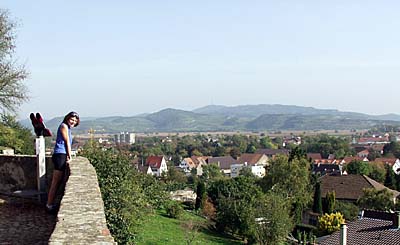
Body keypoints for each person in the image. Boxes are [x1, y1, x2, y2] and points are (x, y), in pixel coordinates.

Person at [46, 111, 80, 213]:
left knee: (58, 182)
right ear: (67, 118)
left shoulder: (67, 127)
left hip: (61, 155)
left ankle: (51, 204)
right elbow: (66, 143)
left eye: (75, 120)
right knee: (55, 182)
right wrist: (70, 155)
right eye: (71, 119)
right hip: (60, 155)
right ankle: (49, 205)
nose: (73, 122)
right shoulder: (64, 126)